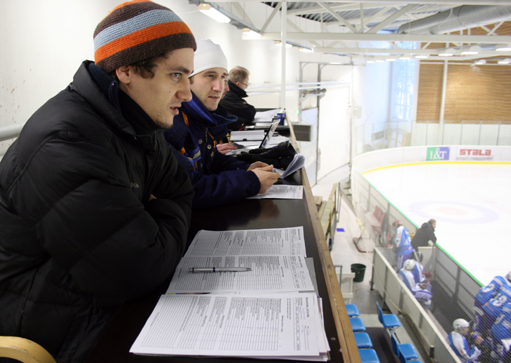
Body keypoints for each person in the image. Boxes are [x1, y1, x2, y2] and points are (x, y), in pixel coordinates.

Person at [0, 2, 196, 362]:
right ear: (127, 71)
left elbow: (181, 187)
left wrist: (152, 217)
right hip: (48, 321)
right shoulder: (65, 142)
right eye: (176, 75)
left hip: (95, 295)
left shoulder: (135, 121)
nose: (187, 93)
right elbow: (139, 268)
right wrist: (154, 215)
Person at [163, 40, 279, 209]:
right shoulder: (172, 123)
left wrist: (246, 169)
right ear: (188, 80)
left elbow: (210, 161)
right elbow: (188, 188)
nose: (220, 87)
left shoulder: (202, 119)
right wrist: (250, 181)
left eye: (224, 77)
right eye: (209, 75)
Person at [219, 66, 257, 131]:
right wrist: (244, 105)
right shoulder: (228, 96)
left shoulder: (233, 95)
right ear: (238, 84)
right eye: (246, 84)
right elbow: (249, 114)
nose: (246, 87)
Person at [474, 272, 511, 338]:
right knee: (488, 333)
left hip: (485, 304)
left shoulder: (500, 278)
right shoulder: (506, 285)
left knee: (479, 324)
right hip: (494, 314)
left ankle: (476, 332)